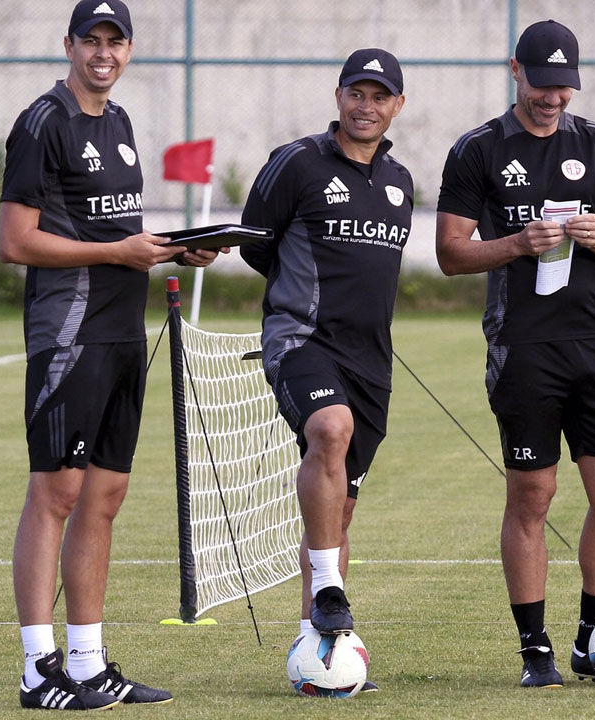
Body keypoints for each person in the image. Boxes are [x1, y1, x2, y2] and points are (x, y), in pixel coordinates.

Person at [0, 0, 219, 710]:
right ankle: (39, 669)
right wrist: (117, 252)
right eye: (90, 40)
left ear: (128, 51)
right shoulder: (42, 122)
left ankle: (89, 663)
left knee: (106, 495)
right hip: (69, 333)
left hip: (124, 331)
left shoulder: (118, 123)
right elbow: (16, 241)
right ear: (69, 45)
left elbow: (116, 230)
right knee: (55, 491)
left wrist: (176, 246)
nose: (103, 52)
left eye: (114, 41)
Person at [435, 19, 595, 688]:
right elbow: (450, 253)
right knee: (534, 494)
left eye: (566, 86)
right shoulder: (479, 150)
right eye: (544, 83)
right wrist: (515, 245)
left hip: (593, 343)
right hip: (523, 346)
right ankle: (536, 653)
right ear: (515, 71)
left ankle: (592, 638)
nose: (555, 98)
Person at [239, 49, 410, 693]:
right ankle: (331, 590)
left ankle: (321, 649)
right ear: (338, 96)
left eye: (380, 96)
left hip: (372, 360)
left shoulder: (401, 181)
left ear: (397, 106)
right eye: (356, 93)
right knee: (329, 429)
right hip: (302, 340)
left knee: (342, 504)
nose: (367, 106)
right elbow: (259, 245)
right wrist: (298, 297)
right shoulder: (298, 161)